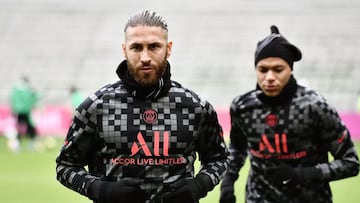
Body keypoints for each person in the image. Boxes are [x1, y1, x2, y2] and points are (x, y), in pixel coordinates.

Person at [56, 10, 229, 203]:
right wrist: (101, 189)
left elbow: (219, 159)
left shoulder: (196, 107)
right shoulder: (96, 107)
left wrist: (200, 185)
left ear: (168, 48)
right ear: (124, 50)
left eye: (154, 46)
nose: (145, 57)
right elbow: (65, 166)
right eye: (136, 47)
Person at [219, 25, 360, 203]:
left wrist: (302, 174)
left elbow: (350, 163)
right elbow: (237, 148)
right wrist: (228, 182)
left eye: (278, 69)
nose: (269, 77)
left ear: (291, 69)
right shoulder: (242, 106)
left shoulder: (315, 107)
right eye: (263, 70)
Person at [9, 76, 39, 151]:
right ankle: (20, 144)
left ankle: (26, 143)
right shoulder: (22, 90)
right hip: (23, 111)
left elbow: (33, 98)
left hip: (24, 111)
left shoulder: (20, 90)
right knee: (23, 128)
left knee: (25, 127)